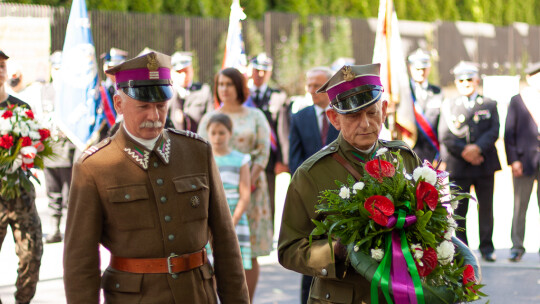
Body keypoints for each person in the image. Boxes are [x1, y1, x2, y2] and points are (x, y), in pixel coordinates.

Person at [63, 52, 249, 303]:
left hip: (196, 296)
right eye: (143, 106)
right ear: (118, 104)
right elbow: (80, 261)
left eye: (161, 105)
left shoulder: (197, 152)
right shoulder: (94, 166)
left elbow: (225, 241)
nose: (154, 116)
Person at [278, 63, 426, 302]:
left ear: (385, 109)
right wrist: (336, 250)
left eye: (372, 112)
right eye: (354, 115)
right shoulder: (311, 173)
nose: (366, 123)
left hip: (400, 295)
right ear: (334, 118)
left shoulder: (404, 158)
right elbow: (288, 249)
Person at [198, 67, 271, 302]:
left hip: (250, 192)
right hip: (217, 193)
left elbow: (262, 153)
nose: (224, 89)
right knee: (215, 248)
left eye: (229, 84)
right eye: (220, 84)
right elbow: (199, 152)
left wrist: (246, 181)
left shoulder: (255, 116)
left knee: (248, 251)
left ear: (239, 87)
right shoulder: (210, 118)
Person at [438, 61, 501, 262]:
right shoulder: (448, 105)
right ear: (456, 83)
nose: (466, 83)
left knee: (486, 208)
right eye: (461, 80)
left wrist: (477, 149)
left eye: (469, 79)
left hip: (484, 164)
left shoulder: (490, 103)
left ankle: (487, 248)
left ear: (477, 80)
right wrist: (466, 151)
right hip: (459, 166)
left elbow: (494, 130)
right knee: (459, 210)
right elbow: (445, 135)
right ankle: (462, 249)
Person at [288, 66, 339, 303]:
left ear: (328, 86)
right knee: (312, 252)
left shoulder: (343, 116)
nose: (310, 90)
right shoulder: (300, 117)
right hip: (310, 199)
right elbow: (295, 159)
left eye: (315, 85)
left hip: (340, 196)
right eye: (307, 85)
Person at [0, 50, 43, 304]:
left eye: (3, 65)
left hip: (21, 194)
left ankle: (22, 301)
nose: (0, 70)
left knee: (32, 254)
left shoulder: (20, 107)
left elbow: (35, 145)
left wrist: (31, 152)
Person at [503, 62, 540, 262]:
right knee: (520, 207)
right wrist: (514, 160)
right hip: (524, 162)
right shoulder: (518, 100)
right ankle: (517, 247)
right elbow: (509, 133)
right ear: (529, 78)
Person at [247, 53, 290, 224]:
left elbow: (283, 131)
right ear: (250, 70)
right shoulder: (243, 95)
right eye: (257, 70)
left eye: (264, 71)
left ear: (270, 72)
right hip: (246, 155)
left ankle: (268, 232)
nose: (260, 74)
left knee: (268, 198)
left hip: (269, 159)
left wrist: (282, 160)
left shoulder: (278, 97)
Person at [206, 113, 252, 270]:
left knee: (234, 267)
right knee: (210, 265)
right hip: (210, 217)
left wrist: (232, 222)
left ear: (230, 133)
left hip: (235, 218)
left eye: (221, 133)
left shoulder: (241, 159)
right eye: (213, 133)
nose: (217, 138)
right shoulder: (205, 158)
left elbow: (245, 195)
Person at [41, 50, 77, 244]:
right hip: (50, 148)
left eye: (61, 68)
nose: (58, 72)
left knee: (71, 192)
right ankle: (54, 228)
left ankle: (71, 229)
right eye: (55, 68)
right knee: (52, 190)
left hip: (68, 147)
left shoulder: (72, 92)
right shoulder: (44, 90)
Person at [407, 48, 443, 163]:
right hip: (408, 153)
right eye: (417, 69)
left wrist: (442, 156)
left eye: (424, 68)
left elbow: (443, 127)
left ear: (429, 68)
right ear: (410, 68)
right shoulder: (403, 92)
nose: (421, 72)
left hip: (432, 155)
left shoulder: (438, 92)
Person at [170, 51, 213, 130]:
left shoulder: (204, 91)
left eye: (186, 71)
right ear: (171, 73)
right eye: (179, 72)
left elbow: (210, 120)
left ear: (192, 70)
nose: (183, 75)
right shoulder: (168, 94)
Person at [98, 47, 128, 139]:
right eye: (110, 68)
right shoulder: (102, 90)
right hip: (104, 137)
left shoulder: (129, 88)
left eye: (117, 68)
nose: (113, 72)